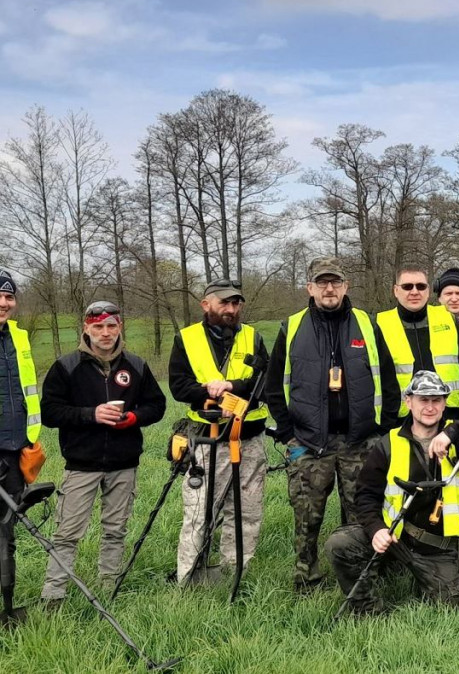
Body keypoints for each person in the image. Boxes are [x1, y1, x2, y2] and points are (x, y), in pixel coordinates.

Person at [266, 257, 400, 592]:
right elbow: (273, 385)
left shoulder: (366, 325)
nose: (329, 289)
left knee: (360, 516)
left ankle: (359, 578)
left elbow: (388, 378)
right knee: (306, 516)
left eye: (336, 282)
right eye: (322, 283)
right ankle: (306, 579)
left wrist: (381, 430)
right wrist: (287, 434)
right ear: (309, 288)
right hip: (309, 442)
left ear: (346, 286)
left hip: (360, 442)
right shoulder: (292, 327)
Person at [324, 371, 459, 614]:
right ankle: (367, 609)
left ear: (444, 403)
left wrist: (452, 432)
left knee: (450, 608)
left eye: (436, 400)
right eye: (423, 400)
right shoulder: (388, 443)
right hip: (395, 537)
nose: (430, 407)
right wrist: (376, 529)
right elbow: (365, 496)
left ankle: (436, 573)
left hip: (437, 547)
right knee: (340, 544)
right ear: (409, 402)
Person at [39, 301, 166, 606]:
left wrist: (134, 418)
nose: (105, 333)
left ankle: (108, 588)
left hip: (124, 462)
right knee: (67, 532)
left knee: (115, 529)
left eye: (111, 326)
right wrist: (91, 415)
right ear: (86, 328)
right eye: (98, 327)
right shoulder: (66, 366)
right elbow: (49, 413)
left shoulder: (136, 365)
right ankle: (53, 594)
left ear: (120, 326)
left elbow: (157, 405)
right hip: (81, 464)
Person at [168, 278, 269, 584]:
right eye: (224, 302)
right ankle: (188, 578)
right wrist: (210, 396)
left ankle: (234, 573)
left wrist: (232, 389)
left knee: (247, 513)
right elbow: (178, 385)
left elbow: (266, 380)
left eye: (236, 303)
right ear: (206, 304)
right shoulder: (186, 339)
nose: (231, 309)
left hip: (249, 438)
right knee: (199, 513)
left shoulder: (253, 337)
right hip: (205, 440)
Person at [0, 270, 41, 621]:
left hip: (16, 449)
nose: (3, 303)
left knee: (7, 528)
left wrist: (30, 439)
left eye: (8, 297)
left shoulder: (20, 337)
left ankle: (7, 607)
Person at [378, 267, 459, 421]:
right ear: (395, 290)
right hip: (399, 421)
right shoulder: (380, 324)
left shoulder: (448, 320)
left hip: (449, 419)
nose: (414, 292)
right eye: (407, 286)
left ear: (428, 290)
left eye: (421, 286)